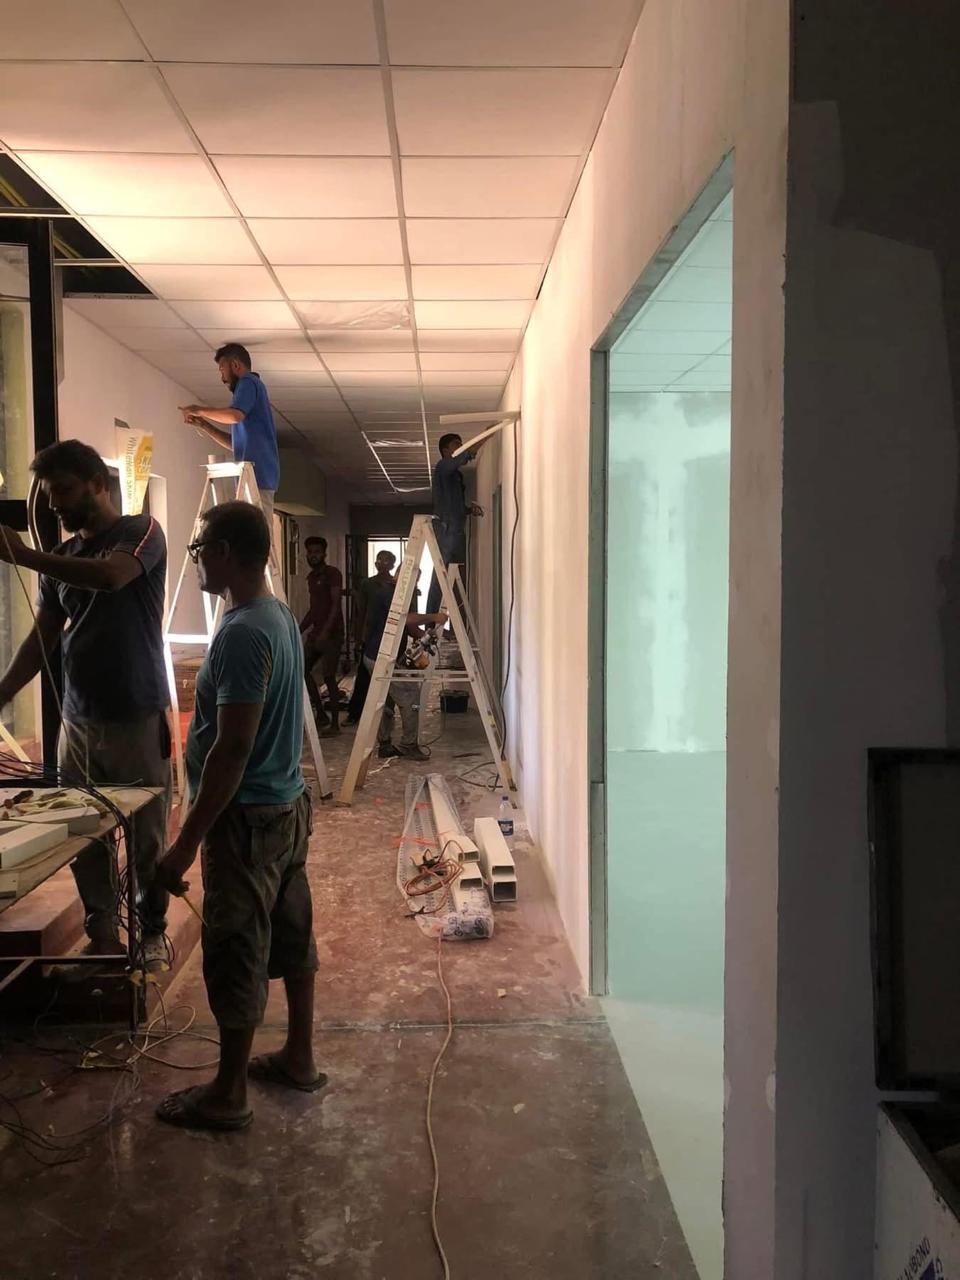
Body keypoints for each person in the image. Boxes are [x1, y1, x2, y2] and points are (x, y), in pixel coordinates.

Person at [154, 501, 322, 1132]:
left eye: (199, 550)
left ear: (224, 552)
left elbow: (232, 748)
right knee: (292, 934)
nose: (197, 561)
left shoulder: (245, 632)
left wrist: (183, 845)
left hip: (247, 820)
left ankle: (228, 1095)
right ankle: (299, 1058)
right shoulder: (276, 616)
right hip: (285, 808)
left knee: (236, 947)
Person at [0, 440, 171, 972]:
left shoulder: (142, 532)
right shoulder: (64, 557)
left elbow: (112, 576)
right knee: (83, 830)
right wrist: (2, 693)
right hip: (78, 720)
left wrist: (25, 556)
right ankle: (103, 934)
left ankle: (151, 933)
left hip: (137, 715)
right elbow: (43, 637)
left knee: (146, 839)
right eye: (50, 494)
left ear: (98, 483)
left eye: (65, 491)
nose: (55, 505)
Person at [179, 342, 281, 528]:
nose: (222, 378)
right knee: (251, 531)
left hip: (258, 475)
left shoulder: (248, 382)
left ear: (235, 365)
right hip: (254, 475)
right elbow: (235, 444)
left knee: (257, 534)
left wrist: (199, 410)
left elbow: (235, 416)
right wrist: (204, 425)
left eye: (222, 369)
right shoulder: (250, 391)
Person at [363, 570, 446, 761]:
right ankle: (408, 745)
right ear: (402, 575)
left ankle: (385, 744)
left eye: (417, 581)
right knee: (410, 697)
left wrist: (423, 636)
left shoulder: (393, 592)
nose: (415, 584)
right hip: (381, 656)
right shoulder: (389, 593)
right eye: (414, 580)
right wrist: (434, 616)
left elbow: (408, 626)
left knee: (385, 701)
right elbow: (403, 618)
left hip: (378, 655)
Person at [426, 432, 484, 614]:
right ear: (445, 451)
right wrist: (486, 436)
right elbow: (463, 457)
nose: (460, 447)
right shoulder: (443, 466)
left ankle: (447, 618)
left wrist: (469, 510)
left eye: (461, 443)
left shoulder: (455, 476)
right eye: (456, 444)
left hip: (455, 527)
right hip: (445, 527)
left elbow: (455, 505)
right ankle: (431, 619)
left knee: (453, 573)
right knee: (440, 574)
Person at [346, 548, 396, 724]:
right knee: (364, 676)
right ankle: (355, 713)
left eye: (386, 560)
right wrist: (359, 636)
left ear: (392, 565)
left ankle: (386, 714)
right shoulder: (368, 584)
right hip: (371, 634)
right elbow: (362, 610)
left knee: (388, 676)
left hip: (389, 634)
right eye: (379, 559)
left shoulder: (395, 584)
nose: (381, 563)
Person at [299, 536, 343, 736]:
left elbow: (336, 605)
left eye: (317, 552)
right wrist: (298, 629)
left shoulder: (332, 574)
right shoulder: (311, 577)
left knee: (329, 677)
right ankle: (321, 714)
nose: (313, 555)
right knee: (302, 670)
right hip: (317, 633)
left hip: (332, 634)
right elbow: (314, 610)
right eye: (310, 552)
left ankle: (335, 725)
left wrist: (326, 631)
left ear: (324, 553)